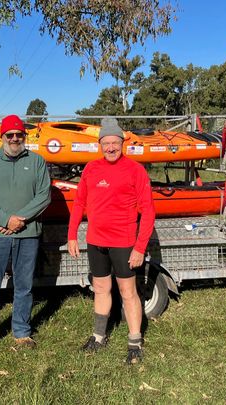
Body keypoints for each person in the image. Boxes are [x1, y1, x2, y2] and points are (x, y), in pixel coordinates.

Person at [67, 117, 155, 365]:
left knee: (128, 292)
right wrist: (72, 234)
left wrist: (139, 247)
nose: (110, 148)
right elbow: (80, 203)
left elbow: (148, 211)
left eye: (114, 143)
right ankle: (98, 336)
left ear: (122, 142)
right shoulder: (91, 169)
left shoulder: (135, 170)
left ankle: (135, 341)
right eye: (105, 143)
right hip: (96, 242)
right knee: (101, 289)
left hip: (124, 242)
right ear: (100, 144)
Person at [0, 114, 51, 350]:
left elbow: (44, 196)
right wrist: (6, 219)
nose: (15, 138)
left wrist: (20, 220)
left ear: (24, 136)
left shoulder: (37, 161)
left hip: (28, 234)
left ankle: (22, 331)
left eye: (19, 134)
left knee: (24, 285)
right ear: (3, 136)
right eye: (10, 135)